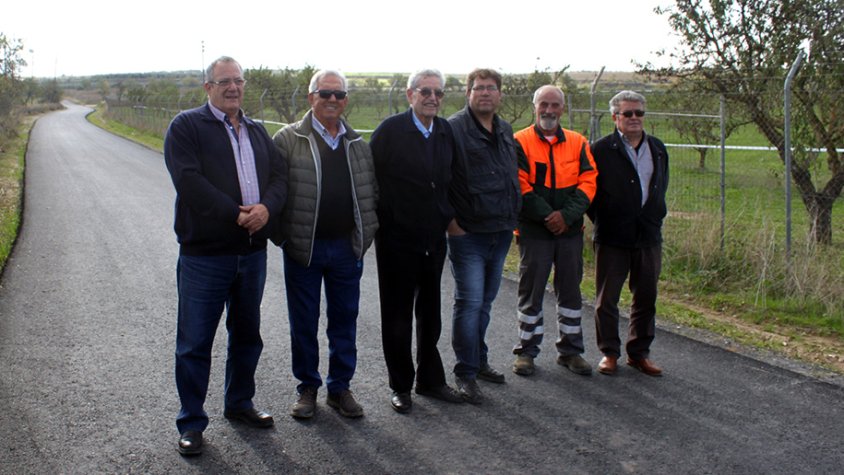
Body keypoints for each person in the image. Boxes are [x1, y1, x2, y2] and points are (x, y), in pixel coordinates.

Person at [164, 56, 288, 456]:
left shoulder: (254, 129)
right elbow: (189, 182)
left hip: (251, 254)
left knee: (247, 335)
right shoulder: (187, 127)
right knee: (195, 342)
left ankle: (239, 403)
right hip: (205, 256)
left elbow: (280, 176)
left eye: (238, 81)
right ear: (208, 88)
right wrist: (236, 214)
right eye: (224, 82)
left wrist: (266, 208)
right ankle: (192, 422)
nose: (233, 88)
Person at [272, 70, 378, 419]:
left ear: (346, 100)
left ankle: (339, 387)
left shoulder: (357, 144)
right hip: (305, 249)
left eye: (338, 94)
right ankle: (307, 388)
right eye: (324, 93)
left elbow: (370, 192)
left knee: (344, 320)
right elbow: (272, 192)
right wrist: (283, 237)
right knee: (304, 322)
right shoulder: (288, 140)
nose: (332, 100)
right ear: (310, 98)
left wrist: (364, 237)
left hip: (346, 250)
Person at [370, 69, 464, 414]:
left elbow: (452, 178)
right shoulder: (391, 131)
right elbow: (370, 178)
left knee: (430, 312)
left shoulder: (444, 131)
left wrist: (448, 216)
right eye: (425, 91)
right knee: (397, 314)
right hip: (397, 238)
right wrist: (384, 219)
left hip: (433, 238)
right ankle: (401, 385)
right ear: (410, 94)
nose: (432, 98)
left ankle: (431, 379)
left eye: (438, 92)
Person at [511, 85, 597, 378]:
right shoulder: (519, 142)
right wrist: (548, 215)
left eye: (555, 105)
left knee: (571, 290)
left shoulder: (578, 142)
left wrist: (567, 216)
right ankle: (526, 351)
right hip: (534, 231)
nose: (549, 110)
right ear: (534, 106)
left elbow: (588, 182)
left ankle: (571, 351)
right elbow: (520, 184)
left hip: (570, 232)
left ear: (563, 108)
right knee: (531, 291)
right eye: (543, 104)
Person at [447, 68, 521, 404]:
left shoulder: (505, 129)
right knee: (470, 302)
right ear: (468, 93)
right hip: (468, 233)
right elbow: (441, 178)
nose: (486, 93)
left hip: (501, 230)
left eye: (492, 88)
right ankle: (465, 372)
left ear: (500, 94)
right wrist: (451, 223)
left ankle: (479, 360)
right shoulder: (453, 129)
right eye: (479, 88)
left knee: (486, 303)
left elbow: (510, 177)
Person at [588, 90, 669, 377]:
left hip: (648, 236)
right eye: (628, 113)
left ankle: (639, 353)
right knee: (607, 299)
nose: (634, 118)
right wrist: (605, 219)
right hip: (612, 235)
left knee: (646, 296)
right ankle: (609, 353)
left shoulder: (658, 148)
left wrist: (655, 213)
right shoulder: (600, 149)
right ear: (615, 117)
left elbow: (660, 186)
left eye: (639, 113)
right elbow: (590, 193)